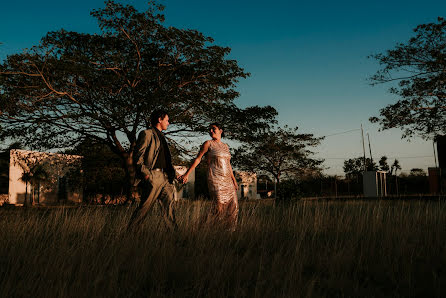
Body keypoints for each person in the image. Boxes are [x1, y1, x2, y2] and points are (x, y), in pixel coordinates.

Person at [179, 123, 239, 231]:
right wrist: (187, 174)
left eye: (213, 129)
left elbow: (228, 164)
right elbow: (198, 159)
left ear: (221, 130)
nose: (211, 131)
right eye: (209, 129)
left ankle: (228, 233)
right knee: (219, 208)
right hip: (215, 179)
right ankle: (200, 228)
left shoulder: (226, 146)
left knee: (233, 207)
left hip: (228, 181)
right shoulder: (208, 143)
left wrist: (234, 180)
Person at [128, 109, 178, 231]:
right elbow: (137, 157)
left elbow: (165, 160)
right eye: (167, 120)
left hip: (166, 177)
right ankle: (130, 234)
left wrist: (175, 175)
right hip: (153, 176)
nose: (169, 123)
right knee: (144, 208)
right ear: (159, 120)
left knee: (169, 208)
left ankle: (175, 237)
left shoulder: (162, 137)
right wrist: (146, 175)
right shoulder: (147, 133)